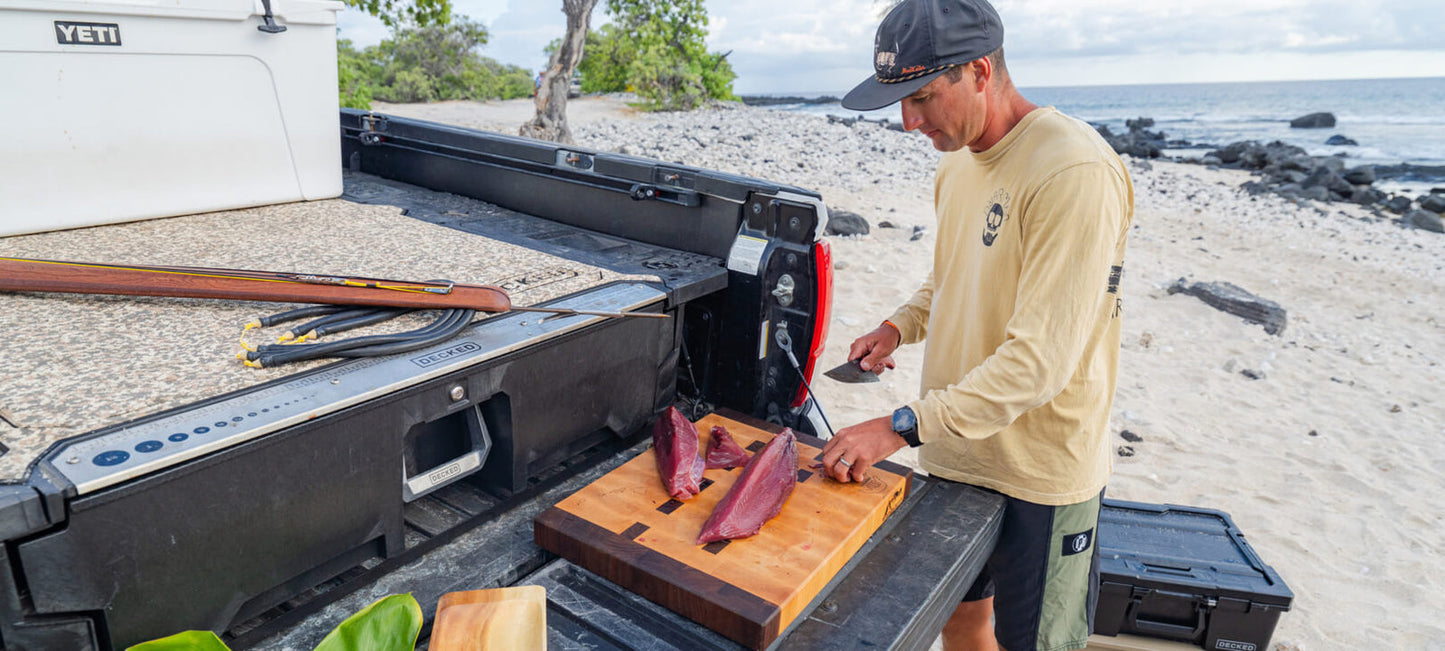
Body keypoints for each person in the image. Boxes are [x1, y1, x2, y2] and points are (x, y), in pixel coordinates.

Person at [818, 1, 1134, 650]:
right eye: (899, 102)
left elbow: (1039, 362)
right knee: (960, 622)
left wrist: (897, 426)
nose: (909, 123)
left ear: (980, 73)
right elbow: (953, 275)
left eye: (923, 98)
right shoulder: (955, 162)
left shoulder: (1073, 171)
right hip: (956, 452)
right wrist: (897, 325)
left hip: (1038, 472)